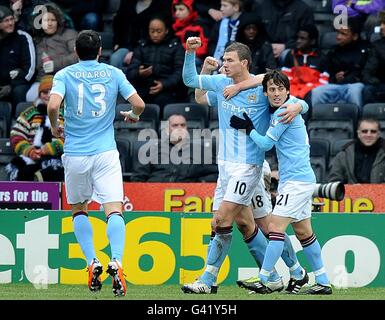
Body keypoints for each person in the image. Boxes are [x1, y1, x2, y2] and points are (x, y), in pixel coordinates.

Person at [181, 37, 308, 294]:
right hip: (226, 168)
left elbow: (287, 93)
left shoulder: (261, 89)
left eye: (229, 61)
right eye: (224, 60)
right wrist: (189, 53)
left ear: (244, 63)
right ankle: (293, 273)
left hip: (249, 167)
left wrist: (298, 105)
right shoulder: (220, 84)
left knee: (221, 219)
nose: (224, 65)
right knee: (261, 225)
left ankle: (208, 281)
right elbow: (191, 82)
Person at [47, 30, 145, 296]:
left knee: (79, 209)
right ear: (100, 51)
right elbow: (139, 103)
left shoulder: (64, 75)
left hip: (76, 153)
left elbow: (53, 106)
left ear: (76, 52)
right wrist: (133, 115)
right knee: (114, 210)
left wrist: (56, 127)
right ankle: (117, 261)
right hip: (105, 153)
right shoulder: (113, 73)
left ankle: (92, 262)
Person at [230, 70, 332, 294]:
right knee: (304, 232)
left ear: (288, 90)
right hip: (299, 179)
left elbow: (266, 144)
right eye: (272, 90)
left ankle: (265, 278)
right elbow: (301, 104)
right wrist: (300, 105)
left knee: (275, 227)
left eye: (280, 89)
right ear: (266, 93)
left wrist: (248, 128)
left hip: (296, 181)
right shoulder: (292, 104)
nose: (276, 93)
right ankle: (323, 281)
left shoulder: (283, 112)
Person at [7, 75, 64, 182]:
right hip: (31, 157)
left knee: (54, 170)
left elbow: (71, 138)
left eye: (51, 92)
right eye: (44, 92)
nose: (48, 96)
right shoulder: (29, 113)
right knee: (21, 171)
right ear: (39, 94)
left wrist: (47, 150)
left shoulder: (66, 114)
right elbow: (16, 136)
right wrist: (30, 151)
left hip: (58, 158)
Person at [130, 113, 218, 182]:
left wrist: (198, 184)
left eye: (183, 125)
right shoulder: (152, 149)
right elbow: (138, 177)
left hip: (187, 198)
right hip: (154, 195)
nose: (179, 128)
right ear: (167, 130)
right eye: (175, 125)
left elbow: (215, 173)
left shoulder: (199, 151)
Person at [125, 15, 187, 112]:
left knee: (164, 102)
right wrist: (139, 73)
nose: (155, 35)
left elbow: (180, 73)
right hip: (144, 88)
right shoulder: (142, 46)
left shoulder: (176, 47)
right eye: (152, 31)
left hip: (168, 90)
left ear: (166, 30)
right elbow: (130, 72)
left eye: (159, 31)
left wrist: (164, 84)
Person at [26, 2, 78, 102]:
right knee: (30, 96)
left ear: (58, 21)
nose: (49, 24)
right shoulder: (37, 40)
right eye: (46, 20)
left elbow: (79, 55)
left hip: (67, 78)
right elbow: (36, 66)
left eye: (53, 20)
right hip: (44, 80)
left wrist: (55, 64)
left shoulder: (69, 34)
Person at [328, 118, 385, 183]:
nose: (369, 135)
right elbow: (334, 181)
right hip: (350, 192)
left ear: (378, 134)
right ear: (358, 133)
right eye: (364, 131)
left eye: (373, 131)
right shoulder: (344, 154)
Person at [0, 5, 35, 111]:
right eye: (6, 21)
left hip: (18, 84)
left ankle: (18, 123)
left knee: (19, 91)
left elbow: (30, 70)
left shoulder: (22, 37)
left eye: (11, 19)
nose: (10, 23)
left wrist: (11, 86)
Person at [362, 10, 385, 104]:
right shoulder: (377, 46)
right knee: (368, 91)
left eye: (384, 23)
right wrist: (375, 81)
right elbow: (367, 72)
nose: (381, 27)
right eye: (381, 23)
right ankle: (374, 116)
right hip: (382, 84)